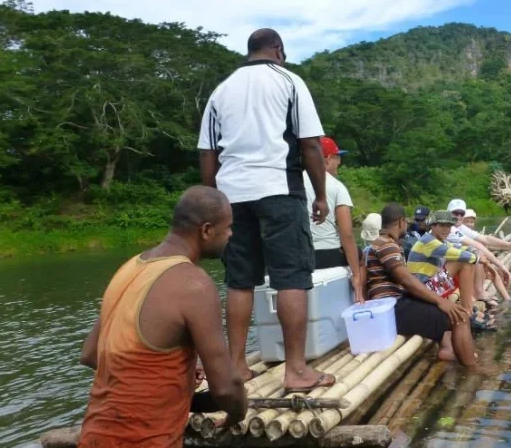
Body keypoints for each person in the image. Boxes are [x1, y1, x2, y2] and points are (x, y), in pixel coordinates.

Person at [198, 28, 334, 393]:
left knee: (240, 279)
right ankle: (296, 371)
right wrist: (321, 195)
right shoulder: (290, 82)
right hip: (279, 190)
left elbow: (208, 154)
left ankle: (237, 366)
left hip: (231, 198)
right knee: (291, 276)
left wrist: (215, 202)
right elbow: (309, 146)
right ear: (278, 49)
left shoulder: (220, 91)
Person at [77, 186, 247, 447]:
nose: (231, 234)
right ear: (206, 230)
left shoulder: (130, 268)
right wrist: (238, 411)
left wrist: (175, 374)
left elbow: (90, 354)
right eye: (228, 228)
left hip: (93, 437)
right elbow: (225, 388)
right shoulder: (194, 284)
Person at [366, 203, 477, 366]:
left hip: (393, 304)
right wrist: (441, 301)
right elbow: (406, 280)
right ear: (401, 222)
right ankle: (473, 369)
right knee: (460, 317)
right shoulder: (387, 245)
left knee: (445, 310)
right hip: (393, 308)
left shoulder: (382, 243)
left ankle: (450, 350)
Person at [407, 210, 496, 332]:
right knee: (465, 262)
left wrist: (478, 254)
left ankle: (469, 307)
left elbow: (462, 248)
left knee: (468, 259)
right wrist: (483, 261)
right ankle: (468, 311)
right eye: (442, 225)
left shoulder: (440, 241)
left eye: (449, 226)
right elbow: (461, 255)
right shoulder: (428, 241)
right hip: (423, 292)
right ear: (433, 226)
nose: (446, 229)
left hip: (429, 288)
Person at [303, 137, 364, 302]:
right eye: (338, 158)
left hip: (299, 256)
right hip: (326, 254)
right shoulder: (336, 187)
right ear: (328, 159)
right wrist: (356, 275)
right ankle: (359, 296)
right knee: (361, 255)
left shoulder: (294, 183)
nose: (340, 163)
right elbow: (347, 234)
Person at [446, 199, 511, 303]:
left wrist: (509, 245)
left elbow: (485, 239)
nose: (458, 216)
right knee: (478, 254)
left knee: (484, 262)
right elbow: (478, 245)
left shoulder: (459, 227)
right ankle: (478, 292)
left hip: (453, 267)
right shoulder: (450, 228)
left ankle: (507, 301)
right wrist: (501, 266)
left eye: (461, 214)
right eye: (455, 213)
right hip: (443, 271)